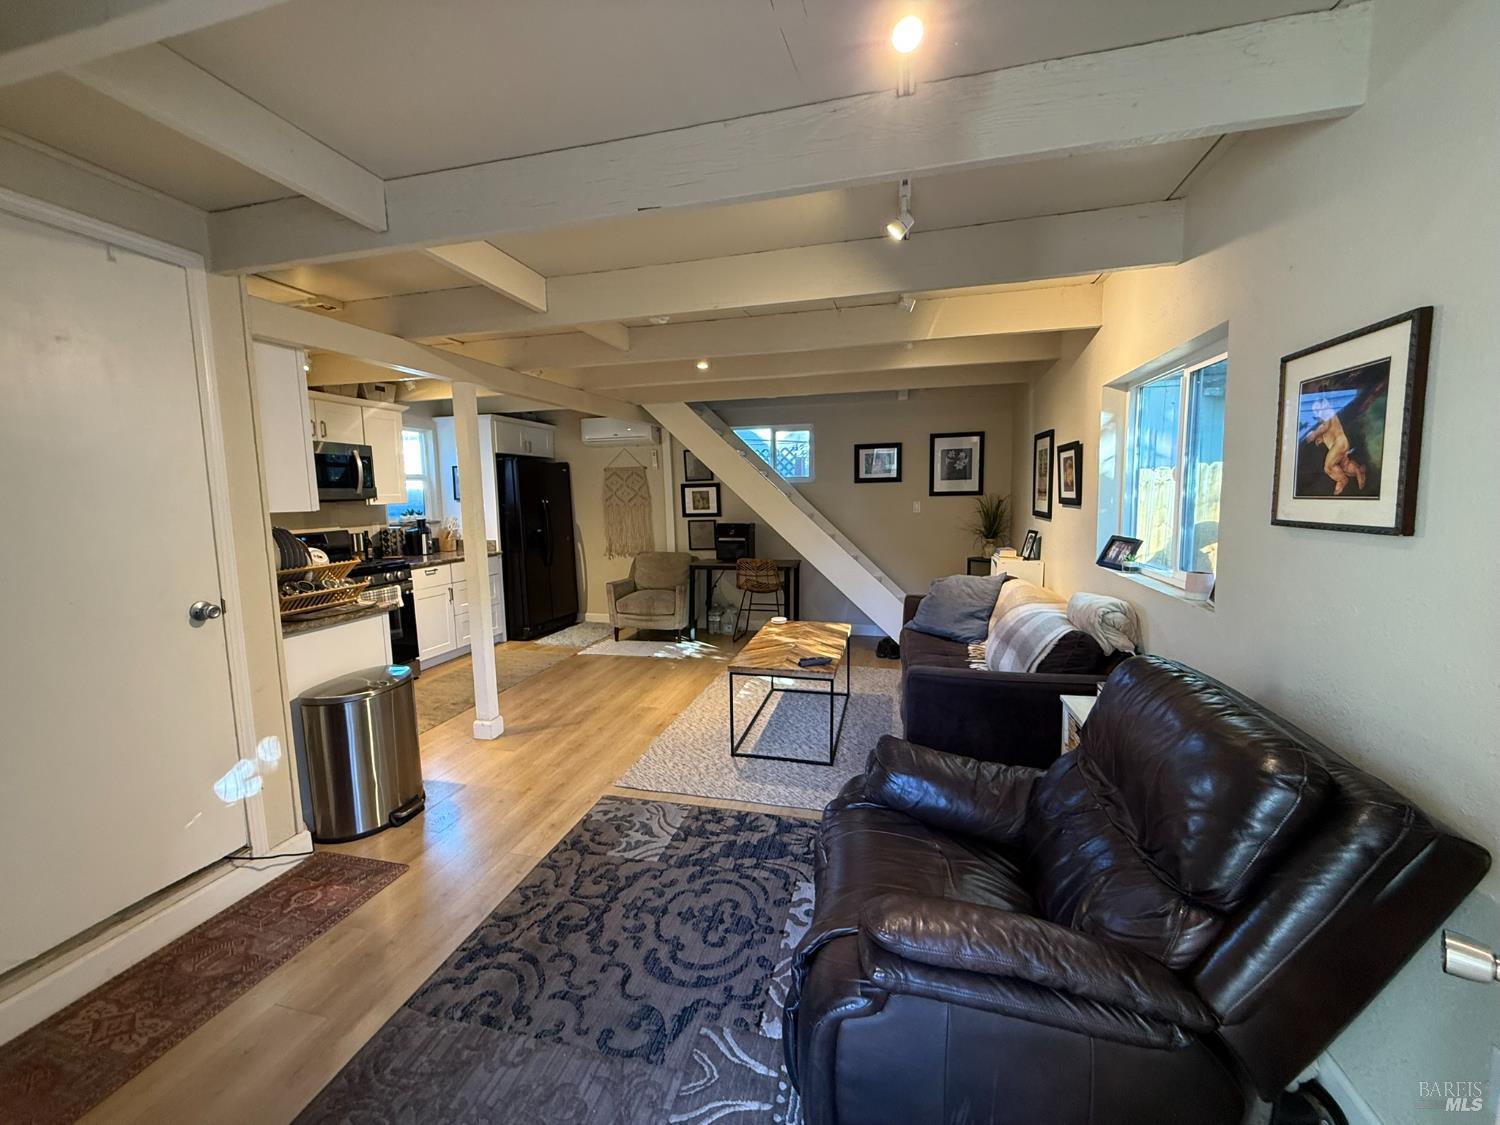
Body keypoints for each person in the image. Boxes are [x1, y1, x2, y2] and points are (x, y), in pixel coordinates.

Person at [1304, 397, 1368, 495]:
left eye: (1317, 410)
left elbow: (1326, 426)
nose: (1316, 414)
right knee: (1344, 467)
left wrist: (1315, 434)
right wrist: (1319, 438)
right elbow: (1326, 431)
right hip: (1339, 445)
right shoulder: (1324, 421)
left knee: (1328, 467)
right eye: (1315, 412)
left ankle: (1342, 480)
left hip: (1339, 443)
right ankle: (1358, 471)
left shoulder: (1327, 413)